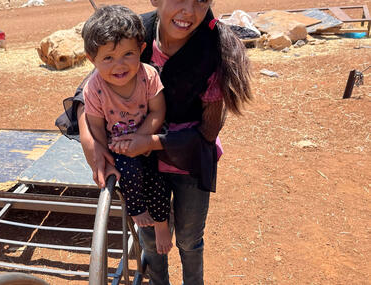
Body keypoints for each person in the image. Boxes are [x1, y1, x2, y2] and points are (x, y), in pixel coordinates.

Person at [55, 0, 252, 284]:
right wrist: (89, 140)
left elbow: (208, 131)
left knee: (188, 239)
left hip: (188, 159)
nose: (188, 11)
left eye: (200, 1)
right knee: (150, 238)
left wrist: (150, 141)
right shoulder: (134, 33)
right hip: (139, 160)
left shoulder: (214, 48)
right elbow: (90, 86)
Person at [81, 5, 172, 254]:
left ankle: (163, 223)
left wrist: (142, 139)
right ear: (92, 59)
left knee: (158, 178)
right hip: (118, 146)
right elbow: (96, 126)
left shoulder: (149, 76)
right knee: (128, 175)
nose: (119, 66)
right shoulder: (94, 88)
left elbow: (158, 112)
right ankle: (137, 209)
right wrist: (105, 153)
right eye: (108, 58)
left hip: (147, 137)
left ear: (142, 49)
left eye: (127, 54)